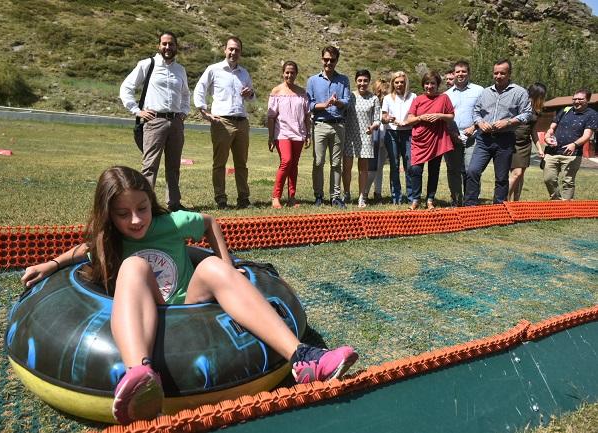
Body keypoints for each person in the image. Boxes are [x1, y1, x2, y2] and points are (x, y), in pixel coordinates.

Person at [20, 166, 359, 425]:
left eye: (142, 208)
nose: (136, 220)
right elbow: (86, 249)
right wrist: (51, 264)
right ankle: (140, 374)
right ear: (109, 215)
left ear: (151, 202)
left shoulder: (169, 223)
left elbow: (210, 222)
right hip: (145, 304)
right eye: (124, 214)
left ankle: (302, 358)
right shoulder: (111, 242)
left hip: (187, 302)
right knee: (135, 266)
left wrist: (228, 264)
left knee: (213, 269)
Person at [119, 32, 191, 212]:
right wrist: (137, 111)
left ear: (176, 47)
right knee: (150, 165)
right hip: (154, 121)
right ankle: (147, 206)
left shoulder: (180, 70)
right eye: (164, 44)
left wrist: (183, 112)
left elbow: (185, 94)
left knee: (173, 167)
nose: (168, 47)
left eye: (171, 44)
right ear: (159, 45)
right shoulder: (147, 64)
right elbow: (126, 87)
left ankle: (174, 204)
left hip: (175, 122)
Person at [193, 37, 255, 210]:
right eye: (231, 49)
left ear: (241, 53)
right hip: (222, 122)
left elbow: (252, 98)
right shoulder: (214, 69)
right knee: (220, 163)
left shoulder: (244, 73)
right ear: (225, 50)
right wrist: (204, 111)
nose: (234, 53)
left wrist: (250, 93)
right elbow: (200, 89)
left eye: (237, 50)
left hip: (242, 122)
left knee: (241, 163)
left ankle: (244, 199)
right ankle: (221, 199)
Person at [463, 59, 532, 206]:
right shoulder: (485, 92)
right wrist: (480, 122)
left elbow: (526, 114)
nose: (498, 76)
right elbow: (476, 112)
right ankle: (469, 206)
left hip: (505, 139)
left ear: (509, 74)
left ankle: (499, 208)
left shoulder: (519, 92)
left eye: (502, 73)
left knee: (501, 177)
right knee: (473, 171)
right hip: (484, 139)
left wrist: (508, 122)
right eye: (496, 73)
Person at [306, 46, 351, 208]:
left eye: (332, 60)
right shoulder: (312, 80)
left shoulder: (344, 80)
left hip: (338, 126)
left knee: (336, 164)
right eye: (326, 59)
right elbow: (309, 103)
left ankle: (335, 197)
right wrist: (324, 105)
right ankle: (318, 195)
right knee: (318, 162)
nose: (329, 63)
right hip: (320, 125)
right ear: (321, 59)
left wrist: (337, 102)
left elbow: (347, 101)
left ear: (337, 61)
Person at [404, 71, 455, 210]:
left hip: (437, 139)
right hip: (419, 139)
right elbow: (409, 120)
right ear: (423, 85)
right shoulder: (418, 99)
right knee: (415, 169)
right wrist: (421, 118)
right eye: (427, 83)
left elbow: (451, 116)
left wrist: (439, 115)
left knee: (434, 170)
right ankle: (415, 199)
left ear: (437, 84)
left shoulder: (444, 98)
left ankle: (430, 199)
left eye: (433, 83)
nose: (429, 86)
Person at [267, 61, 311, 209]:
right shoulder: (276, 91)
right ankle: (276, 196)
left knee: (294, 166)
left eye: (292, 72)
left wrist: (308, 134)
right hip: (282, 134)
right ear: (283, 73)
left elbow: (307, 116)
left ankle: (292, 197)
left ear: (296, 74)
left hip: (298, 134)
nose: (289, 75)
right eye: (287, 72)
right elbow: (271, 117)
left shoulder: (302, 93)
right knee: (286, 161)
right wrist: (271, 137)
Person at [542, 89, 598, 200]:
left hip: (573, 154)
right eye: (575, 99)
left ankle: (567, 205)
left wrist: (574, 145)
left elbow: (587, 135)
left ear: (587, 100)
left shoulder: (592, 114)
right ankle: (556, 200)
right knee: (548, 178)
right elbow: (552, 128)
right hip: (552, 152)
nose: (577, 101)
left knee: (568, 181)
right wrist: (547, 136)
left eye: (580, 99)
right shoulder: (565, 110)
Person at [445, 60, 484, 206]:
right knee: (453, 170)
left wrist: (474, 127)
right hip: (452, 136)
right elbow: (445, 118)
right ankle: (456, 200)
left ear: (469, 73)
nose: (460, 74)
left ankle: (470, 200)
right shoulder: (446, 95)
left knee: (471, 170)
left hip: (473, 136)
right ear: (453, 74)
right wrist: (452, 133)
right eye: (457, 72)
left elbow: (485, 112)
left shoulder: (479, 90)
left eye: (463, 71)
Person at [343, 69, 381, 208]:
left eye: (365, 80)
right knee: (346, 167)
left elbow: (377, 119)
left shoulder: (374, 98)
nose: (362, 83)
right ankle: (346, 193)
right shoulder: (349, 96)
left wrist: (373, 126)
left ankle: (361, 197)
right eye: (360, 80)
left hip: (366, 136)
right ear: (356, 81)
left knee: (363, 169)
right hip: (349, 135)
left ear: (369, 82)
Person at [381, 71, 417, 205]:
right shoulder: (387, 98)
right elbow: (383, 117)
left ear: (405, 82)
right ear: (393, 83)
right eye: (397, 82)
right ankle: (396, 197)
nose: (399, 84)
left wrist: (408, 121)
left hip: (408, 133)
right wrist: (387, 118)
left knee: (409, 165)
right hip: (392, 133)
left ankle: (411, 196)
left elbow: (416, 115)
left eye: (402, 82)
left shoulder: (413, 96)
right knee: (394, 165)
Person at [508, 83, 547, 201]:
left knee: (520, 175)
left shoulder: (537, 110)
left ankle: (516, 201)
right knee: (516, 173)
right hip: (511, 141)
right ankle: (504, 201)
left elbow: (533, 130)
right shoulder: (519, 104)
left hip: (525, 144)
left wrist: (540, 149)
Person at [363, 79, 391, 204]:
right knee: (372, 168)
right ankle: (364, 192)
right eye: (382, 92)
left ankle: (377, 192)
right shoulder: (372, 102)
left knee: (380, 168)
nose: (384, 95)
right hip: (374, 137)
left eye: (386, 92)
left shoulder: (389, 103)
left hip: (386, 136)